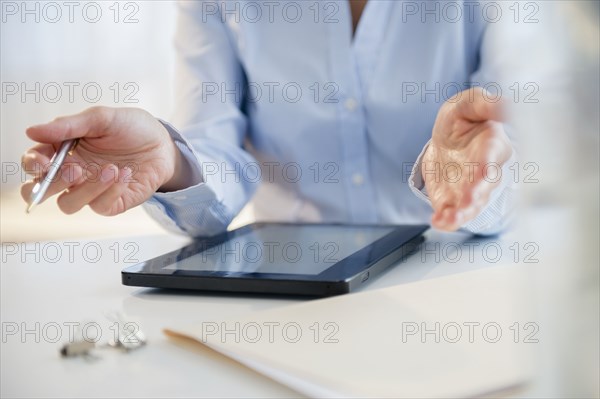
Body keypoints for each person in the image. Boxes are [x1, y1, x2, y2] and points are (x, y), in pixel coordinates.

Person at [20, 1, 516, 237]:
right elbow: (214, 152)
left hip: (456, 269)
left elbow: (528, 149)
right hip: (290, 289)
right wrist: (171, 161)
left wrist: (479, 172)